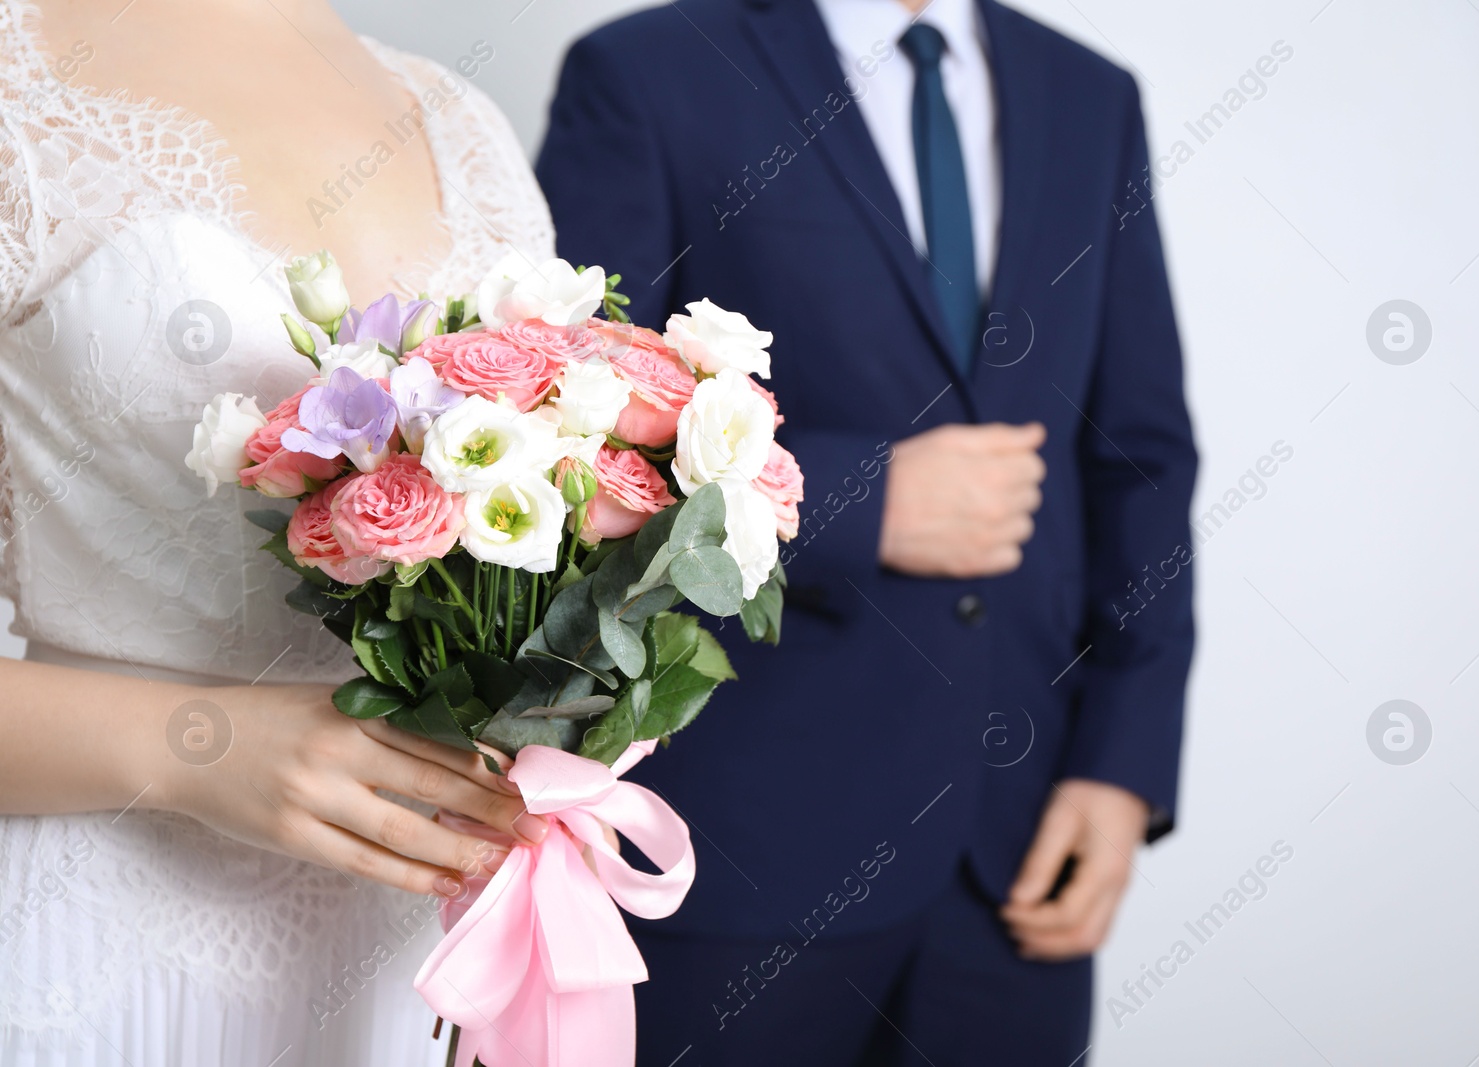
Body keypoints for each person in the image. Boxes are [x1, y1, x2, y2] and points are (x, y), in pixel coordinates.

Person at [536, 0, 1198, 1062]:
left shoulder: (1091, 97)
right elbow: (564, 424)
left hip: (1018, 844)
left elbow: (1141, 460)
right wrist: (857, 500)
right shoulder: (647, 71)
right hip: (739, 849)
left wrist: (1123, 764)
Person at [0, 1, 558, 1061]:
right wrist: (194, 749)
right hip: (100, 953)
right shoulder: (18, 84)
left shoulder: (460, 120)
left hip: (410, 963)